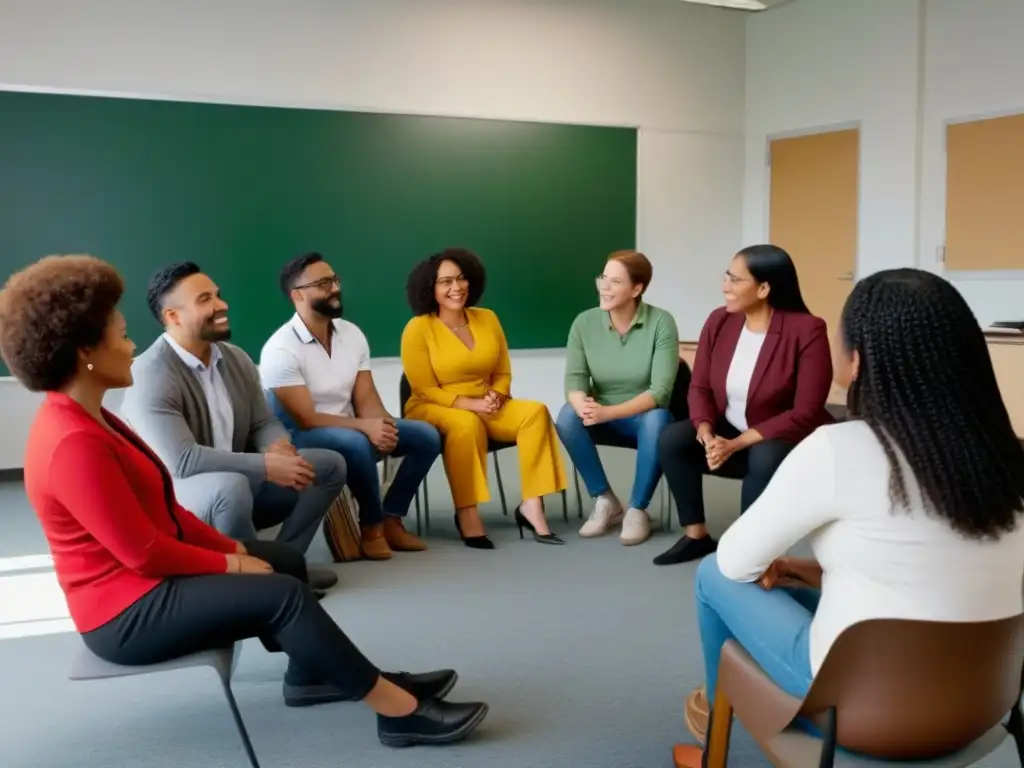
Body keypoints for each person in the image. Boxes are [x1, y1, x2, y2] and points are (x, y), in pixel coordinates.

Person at [0, 254, 489, 747]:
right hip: (123, 612)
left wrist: (234, 550)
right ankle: (398, 711)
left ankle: (311, 676)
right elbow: (143, 552)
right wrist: (230, 565)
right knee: (280, 594)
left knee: (284, 561)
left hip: (144, 581)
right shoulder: (72, 441)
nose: (131, 347)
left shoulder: (94, 418)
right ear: (85, 351)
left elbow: (166, 512)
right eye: (122, 335)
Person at [672, 268, 1024, 767]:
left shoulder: (838, 449)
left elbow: (734, 563)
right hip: (984, 706)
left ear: (857, 360)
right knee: (789, 585)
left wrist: (777, 562)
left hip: (864, 716)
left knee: (713, 575)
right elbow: (923, 565)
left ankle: (714, 733)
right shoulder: (1003, 456)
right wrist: (803, 569)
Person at [119, 262, 344, 590]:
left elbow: (263, 422)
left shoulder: (236, 359)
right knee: (231, 486)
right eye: (205, 299)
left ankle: (283, 563)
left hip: (240, 477)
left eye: (218, 295)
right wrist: (266, 465)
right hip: (178, 494)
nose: (221, 305)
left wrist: (277, 446)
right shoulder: (150, 374)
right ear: (173, 316)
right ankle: (247, 580)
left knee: (330, 465)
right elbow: (183, 461)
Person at [653, 245, 832, 567]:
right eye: (727, 276)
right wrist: (706, 431)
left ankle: (750, 550)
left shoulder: (807, 330)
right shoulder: (720, 321)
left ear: (764, 288)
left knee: (764, 457)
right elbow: (700, 386)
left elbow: (805, 411)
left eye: (735, 280)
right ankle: (697, 536)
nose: (725, 286)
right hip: (729, 431)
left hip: (783, 435)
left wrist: (736, 443)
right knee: (673, 439)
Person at [260, 252, 440, 558]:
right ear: (297, 295)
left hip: (348, 426)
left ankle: (391, 517)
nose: (334, 288)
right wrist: (364, 427)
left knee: (426, 436)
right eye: (322, 283)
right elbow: (307, 419)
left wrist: (382, 426)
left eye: (334, 279)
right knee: (356, 442)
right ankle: (371, 527)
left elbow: (365, 397)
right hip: (299, 436)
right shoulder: (281, 350)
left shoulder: (351, 334)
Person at [400, 248, 567, 549]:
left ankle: (532, 506)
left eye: (462, 278)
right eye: (446, 281)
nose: (456, 287)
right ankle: (467, 511)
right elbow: (424, 389)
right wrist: (472, 404)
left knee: (535, 412)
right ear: (430, 288)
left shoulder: (487, 318)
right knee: (465, 424)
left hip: (487, 403)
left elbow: (502, 371)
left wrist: (498, 394)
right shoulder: (418, 328)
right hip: (434, 407)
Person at [555, 250, 679, 546]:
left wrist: (609, 413)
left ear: (637, 289)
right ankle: (605, 499)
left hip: (643, 418)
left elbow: (659, 392)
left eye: (615, 281)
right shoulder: (584, 323)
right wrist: (580, 401)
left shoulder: (661, 322)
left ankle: (637, 508)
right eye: (602, 278)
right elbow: (575, 379)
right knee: (567, 416)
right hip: (602, 416)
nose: (604, 287)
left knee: (658, 419)